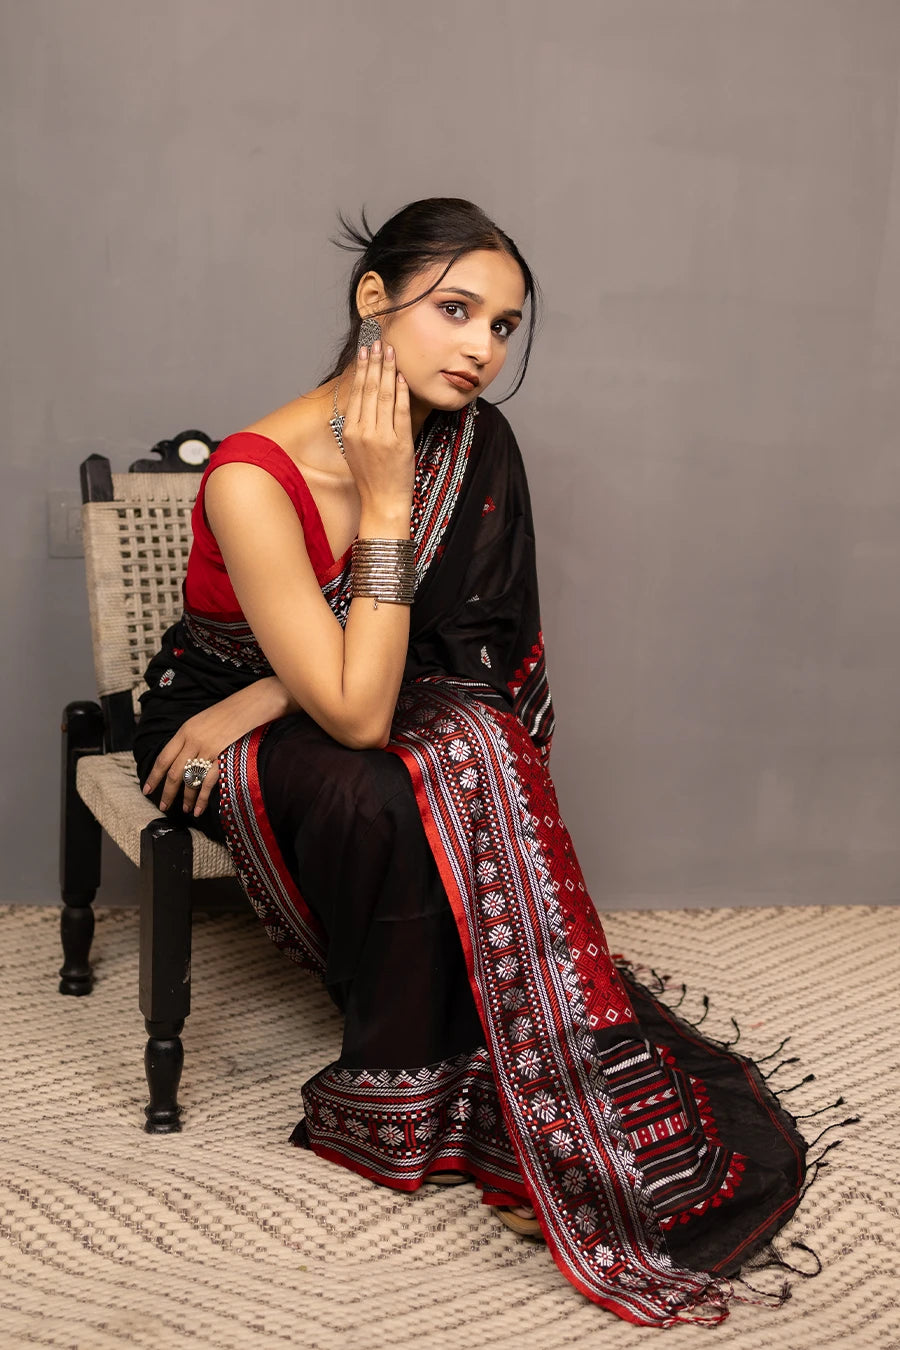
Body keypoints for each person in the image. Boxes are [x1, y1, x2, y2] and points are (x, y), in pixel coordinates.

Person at [133, 197, 809, 1328]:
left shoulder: (477, 440)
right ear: (372, 300)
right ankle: (404, 1094)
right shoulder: (255, 474)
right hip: (214, 716)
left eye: (503, 326)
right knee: (382, 789)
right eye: (454, 310)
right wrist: (380, 520)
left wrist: (300, 660)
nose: (481, 349)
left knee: (469, 746)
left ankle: (502, 1083)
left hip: (331, 680)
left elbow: (468, 651)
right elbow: (353, 715)